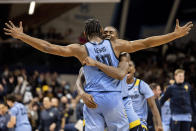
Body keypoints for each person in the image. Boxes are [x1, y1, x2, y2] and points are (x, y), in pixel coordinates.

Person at [4, 18, 193, 131]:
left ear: (85, 33)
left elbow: (48, 47)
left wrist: (22, 36)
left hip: (92, 100)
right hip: (114, 100)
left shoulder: (80, 49)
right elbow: (146, 43)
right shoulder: (116, 45)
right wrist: (174, 35)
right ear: (102, 32)